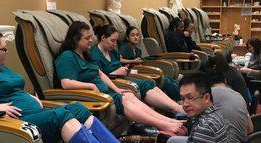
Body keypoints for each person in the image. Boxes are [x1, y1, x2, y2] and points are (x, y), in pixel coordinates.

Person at [0, 22, 154, 143]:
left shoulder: (0, 68)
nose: (7, 52)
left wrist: (31, 97)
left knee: (78, 109)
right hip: (17, 123)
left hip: (34, 112)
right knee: (61, 115)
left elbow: (14, 89)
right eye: (4, 49)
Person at [54, 21, 185, 134]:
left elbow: (100, 73)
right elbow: (66, 83)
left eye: (91, 37)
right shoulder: (67, 56)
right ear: (75, 39)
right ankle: (163, 124)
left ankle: (168, 120)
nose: (90, 40)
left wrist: (116, 89)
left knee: (128, 95)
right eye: (86, 38)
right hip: (96, 98)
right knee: (125, 100)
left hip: (106, 92)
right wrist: (91, 86)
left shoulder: (85, 54)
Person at [91, 24, 184, 115]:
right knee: (143, 85)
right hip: (114, 82)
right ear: (103, 38)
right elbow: (98, 77)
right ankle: (175, 108)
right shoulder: (94, 54)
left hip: (123, 77)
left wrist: (124, 69)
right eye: (112, 41)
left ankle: (176, 107)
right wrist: (115, 72)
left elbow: (118, 65)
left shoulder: (112, 51)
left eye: (116, 41)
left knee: (150, 81)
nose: (115, 44)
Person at [168, 70, 254, 143]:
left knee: (172, 142)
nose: (185, 104)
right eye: (183, 99)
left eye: (190, 97)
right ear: (224, 80)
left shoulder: (208, 119)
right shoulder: (238, 95)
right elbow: (250, 129)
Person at [119, 25, 180, 101]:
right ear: (127, 37)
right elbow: (119, 59)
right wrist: (133, 61)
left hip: (137, 71)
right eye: (132, 35)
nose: (135, 37)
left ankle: (182, 93)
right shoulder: (125, 47)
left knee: (166, 77)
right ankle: (180, 96)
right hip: (129, 73)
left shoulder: (137, 50)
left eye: (137, 35)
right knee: (165, 80)